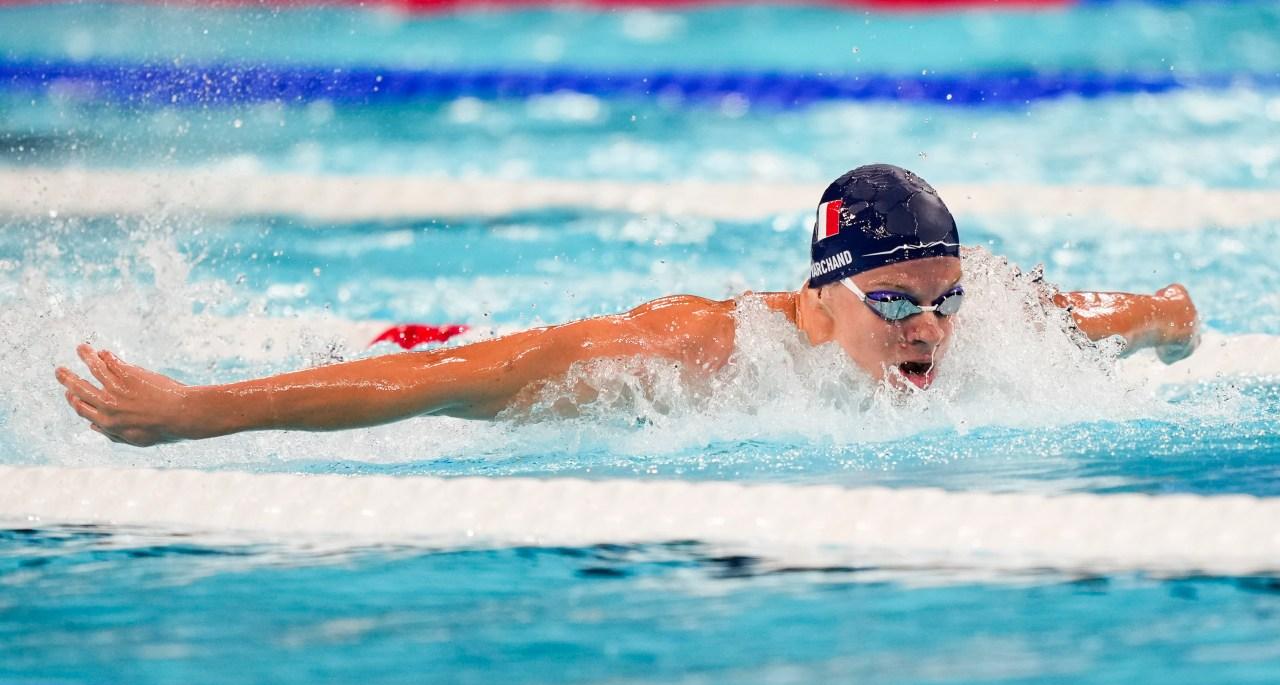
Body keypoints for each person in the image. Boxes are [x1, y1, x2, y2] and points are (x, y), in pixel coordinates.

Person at [55, 164, 1199, 447]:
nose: (931, 332)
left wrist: (1168, 313)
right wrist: (200, 409)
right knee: (431, 348)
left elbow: (1104, 312)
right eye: (896, 302)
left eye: (943, 301)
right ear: (824, 292)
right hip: (413, 344)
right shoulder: (695, 352)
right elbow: (440, 384)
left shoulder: (981, 312)